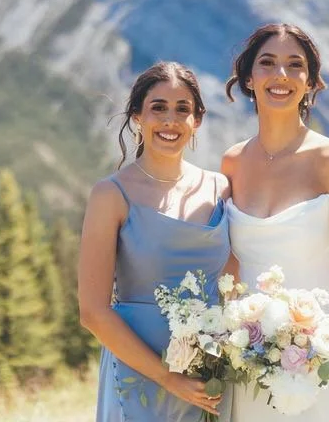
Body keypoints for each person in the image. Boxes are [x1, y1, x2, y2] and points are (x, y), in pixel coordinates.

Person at [222, 23, 329, 422]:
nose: (281, 75)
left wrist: (316, 351)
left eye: (295, 65)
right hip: (251, 357)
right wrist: (232, 337)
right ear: (249, 77)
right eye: (268, 63)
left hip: (326, 357)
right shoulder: (231, 163)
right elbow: (228, 266)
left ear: (310, 81)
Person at [78, 61, 232, 422]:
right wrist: (167, 377)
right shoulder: (111, 194)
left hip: (208, 378)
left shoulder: (221, 189)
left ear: (197, 120)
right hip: (139, 375)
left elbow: (238, 276)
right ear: (137, 117)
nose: (170, 120)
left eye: (183, 110)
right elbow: (93, 312)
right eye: (158, 108)